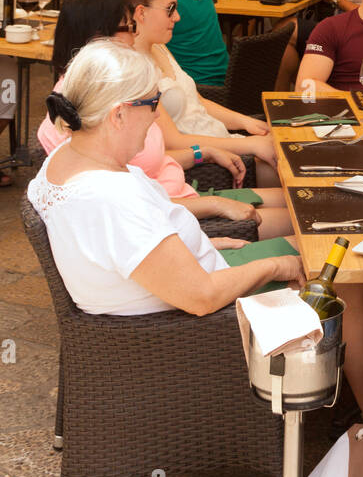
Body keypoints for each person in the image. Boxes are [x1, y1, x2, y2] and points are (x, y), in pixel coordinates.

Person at [27, 41, 305, 318]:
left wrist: (197, 244)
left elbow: (124, 247)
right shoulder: (115, 198)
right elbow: (203, 297)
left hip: (191, 275)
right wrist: (278, 267)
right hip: (212, 312)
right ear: (118, 115)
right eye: (152, 103)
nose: (158, 114)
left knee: (307, 243)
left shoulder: (67, 156)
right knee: (324, 266)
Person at [38, 0, 291, 239]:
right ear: (99, 38)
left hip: (182, 199)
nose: (136, 34)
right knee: (299, 220)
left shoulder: (115, 89)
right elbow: (130, 209)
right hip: (172, 224)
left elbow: (147, 164)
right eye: (130, 27)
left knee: (300, 203)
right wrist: (214, 203)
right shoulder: (83, 112)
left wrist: (201, 153)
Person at [110, 0, 279, 187]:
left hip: (224, 142)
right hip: (204, 162)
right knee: (289, 173)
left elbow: (197, 100)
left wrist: (246, 122)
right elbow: (173, 142)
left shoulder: (159, 46)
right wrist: (252, 145)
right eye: (170, 9)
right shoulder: (134, 70)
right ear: (141, 13)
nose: (177, 17)